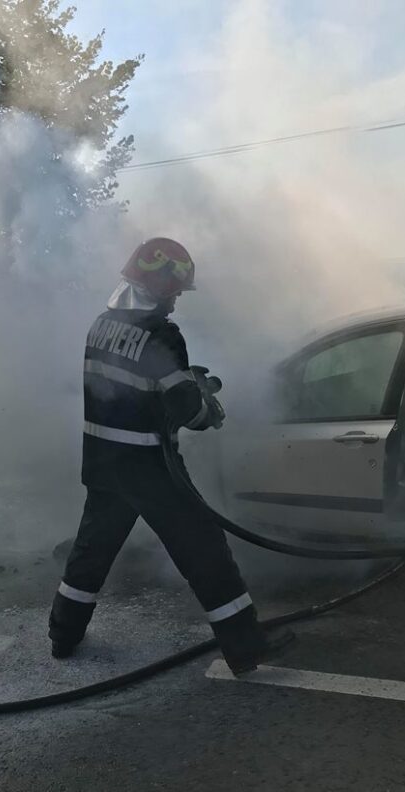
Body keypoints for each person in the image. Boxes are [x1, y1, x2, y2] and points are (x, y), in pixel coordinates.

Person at [48, 238, 294, 675]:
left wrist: (180, 381)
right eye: (174, 292)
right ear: (157, 287)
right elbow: (187, 409)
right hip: (150, 468)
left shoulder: (100, 326)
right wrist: (206, 409)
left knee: (91, 551)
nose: (176, 302)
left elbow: (127, 387)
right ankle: (245, 648)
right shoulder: (162, 335)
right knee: (205, 550)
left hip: (103, 462)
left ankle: (63, 634)